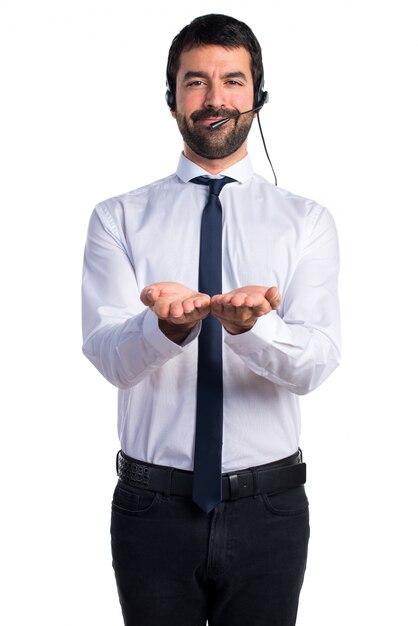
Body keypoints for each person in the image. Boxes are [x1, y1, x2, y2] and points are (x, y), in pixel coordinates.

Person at [82, 13, 341, 626]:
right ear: (172, 98)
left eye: (233, 80)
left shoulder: (307, 222)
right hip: (152, 507)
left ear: (258, 97)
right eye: (196, 82)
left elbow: (317, 361)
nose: (215, 98)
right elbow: (107, 355)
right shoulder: (117, 217)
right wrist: (164, 330)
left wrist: (253, 329)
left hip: (270, 509)